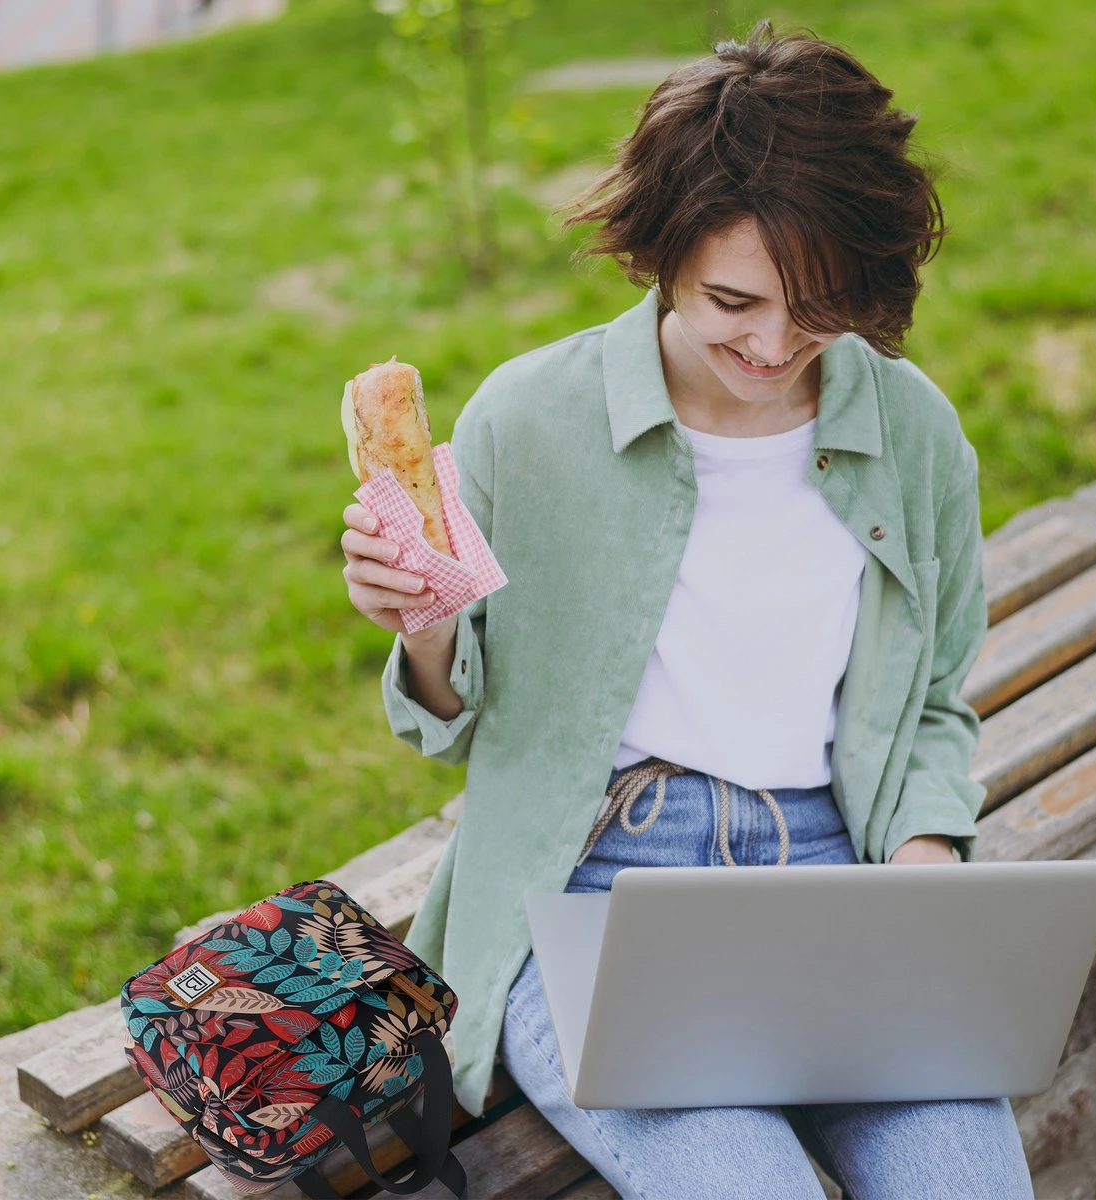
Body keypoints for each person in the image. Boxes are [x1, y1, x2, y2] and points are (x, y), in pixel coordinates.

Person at [340, 22, 1035, 1199]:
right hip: (599, 891)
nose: (774, 344)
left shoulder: (913, 430)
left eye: (820, 306)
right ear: (660, 254)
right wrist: (423, 623)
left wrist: (920, 882)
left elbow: (931, 705)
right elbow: (462, 724)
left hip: (839, 875)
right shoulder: (527, 418)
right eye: (732, 300)